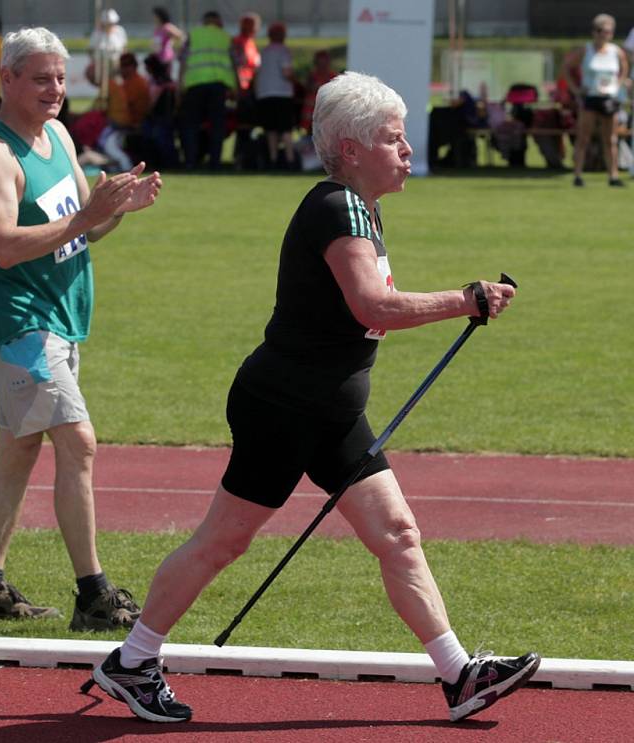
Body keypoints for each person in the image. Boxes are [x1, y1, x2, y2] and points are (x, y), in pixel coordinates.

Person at [88, 71, 540, 724]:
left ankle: (459, 674)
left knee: (397, 533)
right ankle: (134, 658)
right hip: (285, 407)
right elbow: (372, 303)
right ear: (352, 148)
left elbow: (363, 312)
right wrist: (463, 300)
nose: (408, 150)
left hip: (328, 410)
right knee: (222, 542)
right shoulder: (337, 206)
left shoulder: (358, 206)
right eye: (393, 139)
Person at [0, 27, 162, 632]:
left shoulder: (59, 137)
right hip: (22, 322)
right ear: (8, 80)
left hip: (62, 319)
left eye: (61, 78)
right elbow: (2, 246)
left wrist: (114, 211)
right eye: (41, 78)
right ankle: (94, 595)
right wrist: (87, 214)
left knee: (18, 452)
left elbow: (85, 229)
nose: (55, 89)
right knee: (79, 443)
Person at [561, 13, 629, 187]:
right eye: (599, 31)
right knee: (584, 138)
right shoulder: (586, 50)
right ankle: (577, 175)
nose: (603, 35)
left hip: (609, 99)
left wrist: (618, 84)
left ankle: (613, 176)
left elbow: (624, 69)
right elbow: (567, 67)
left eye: (607, 31)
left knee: (610, 139)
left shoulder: (616, 51)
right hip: (590, 98)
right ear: (594, 32)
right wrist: (576, 89)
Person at [179, 11, 236, 170]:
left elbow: (183, 61)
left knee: (191, 125)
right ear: (218, 21)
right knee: (217, 125)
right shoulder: (225, 37)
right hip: (218, 86)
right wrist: (235, 88)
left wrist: (179, 85)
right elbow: (234, 64)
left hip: (194, 84)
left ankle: (190, 161)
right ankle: (215, 163)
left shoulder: (193, 35)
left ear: (204, 21)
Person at [97, 51, 150, 172]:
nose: (122, 69)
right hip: (127, 123)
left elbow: (125, 105)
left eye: (125, 66)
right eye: (121, 66)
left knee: (106, 141)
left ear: (133, 66)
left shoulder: (136, 83)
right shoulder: (129, 82)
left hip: (132, 124)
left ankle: (125, 166)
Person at [254, 22, 296, 169]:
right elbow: (286, 72)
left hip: (265, 94)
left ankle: (273, 159)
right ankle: (290, 159)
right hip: (282, 94)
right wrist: (296, 81)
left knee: (270, 129)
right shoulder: (283, 51)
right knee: (286, 129)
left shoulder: (264, 52)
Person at [231, 12, 261, 169]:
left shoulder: (251, 43)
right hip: (243, 89)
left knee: (249, 125)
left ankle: (246, 157)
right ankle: (239, 158)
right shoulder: (238, 43)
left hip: (250, 88)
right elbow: (236, 66)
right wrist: (238, 87)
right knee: (243, 125)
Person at [142, 53, 178, 169]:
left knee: (159, 140)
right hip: (168, 115)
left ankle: (163, 164)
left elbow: (152, 101)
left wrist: (146, 113)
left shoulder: (157, 81)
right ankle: (171, 163)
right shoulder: (167, 80)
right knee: (168, 141)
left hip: (159, 116)